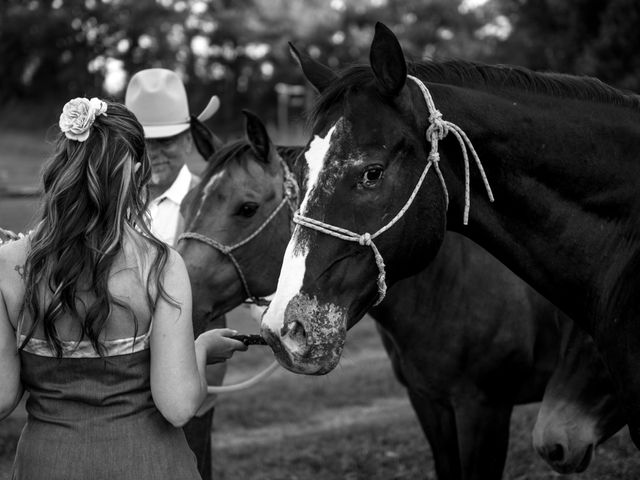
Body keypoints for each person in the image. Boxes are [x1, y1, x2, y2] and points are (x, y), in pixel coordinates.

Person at [0, 97, 247, 480]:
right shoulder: (161, 266)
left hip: (46, 465)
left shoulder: (9, 264)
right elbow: (178, 406)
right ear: (135, 172)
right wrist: (201, 349)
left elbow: (1, 397)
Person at [125, 68, 225, 479]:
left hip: (190, 379)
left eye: (165, 141)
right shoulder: (112, 205)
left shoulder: (212, 204)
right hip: (121, 384)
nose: (154, 154)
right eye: (143, 143)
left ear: (187, 138)